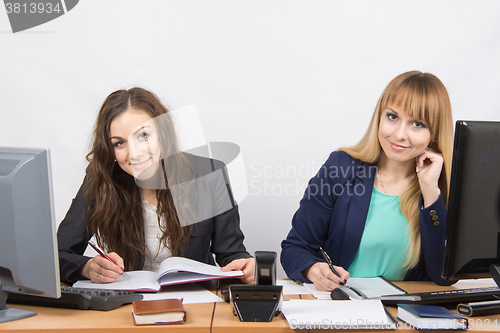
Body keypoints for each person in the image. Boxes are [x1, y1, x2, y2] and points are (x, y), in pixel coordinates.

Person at [58, 87, 254, 285]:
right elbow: (58, 253)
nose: (135, 153)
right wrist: (87, 267)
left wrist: (245, 266)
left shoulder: (209, 173)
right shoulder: (101, 178)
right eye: (119, 143)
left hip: (197, 301)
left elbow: (232, 254)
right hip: (127, 304)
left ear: (163, 133)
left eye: (143, 135)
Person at [281, 71, 455, 291]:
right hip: (341, 308)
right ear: (379, 117)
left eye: (417, 124)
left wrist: (430, 191)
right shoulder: (340, 167)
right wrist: (313, 269)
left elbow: (445, 277)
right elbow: (295, 248)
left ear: (435, 133)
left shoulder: (443, 189)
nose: (400, 134)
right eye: (392, 117)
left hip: (404, 317)